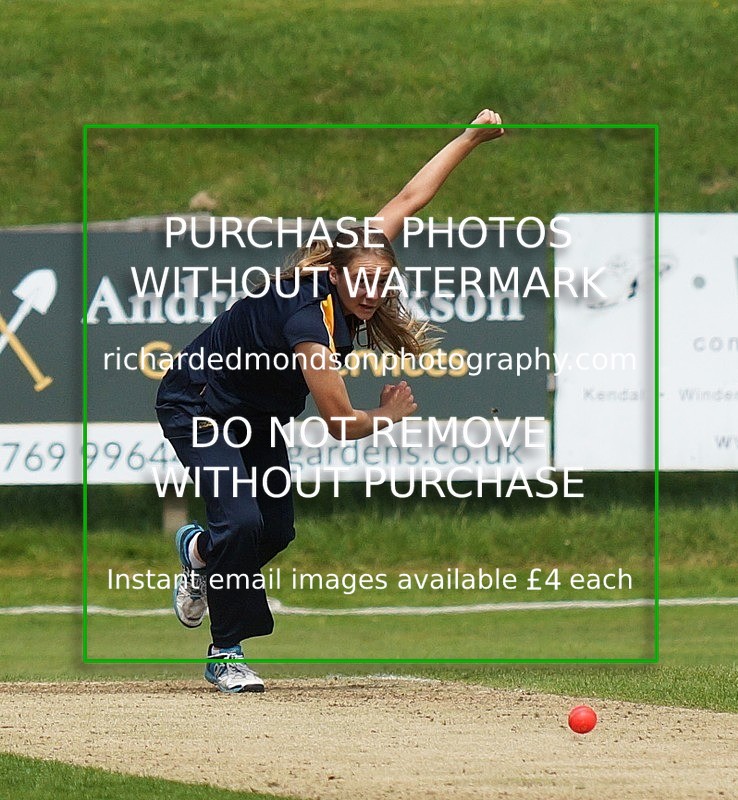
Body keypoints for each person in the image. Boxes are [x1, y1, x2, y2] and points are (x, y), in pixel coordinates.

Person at [155, 109, 504, 692]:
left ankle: (200, 556)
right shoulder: (306, 319)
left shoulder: (361, 256)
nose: (371, 290)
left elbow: (411, 197)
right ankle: (226, 653)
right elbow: (340, 423)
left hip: (256, 416)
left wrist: (468, 137)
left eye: (381, 281)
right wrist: (388, 416)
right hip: (199, 403)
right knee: (239, 519)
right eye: (361, 280)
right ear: (337, 275)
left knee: (275, 531)